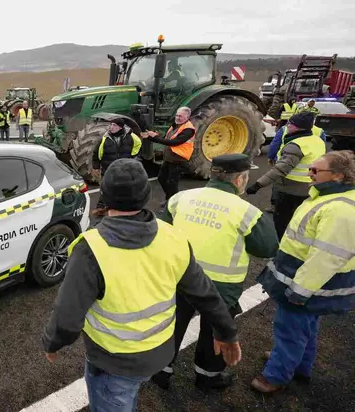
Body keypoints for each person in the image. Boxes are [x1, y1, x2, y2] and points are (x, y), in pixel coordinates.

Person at [42, 159, 241, 412]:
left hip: (113, 362)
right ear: (146, 196)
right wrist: (226, 332)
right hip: (160, 352)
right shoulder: (173, 236)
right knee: (128, 394)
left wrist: (52, 343)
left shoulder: (90, 249)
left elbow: (67, 315)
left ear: (105, 197)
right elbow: (205, 293)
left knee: (116, 400)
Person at [152, 154, 279, 390]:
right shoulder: (247, 212)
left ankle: (161, 370)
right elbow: (267, 247)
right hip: (221, 287)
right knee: (215, 330)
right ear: (240, 179)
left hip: (179, 278)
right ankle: (208, 375)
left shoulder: (181, 198)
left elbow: (161, 232)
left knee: (171, 324)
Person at [252, 150, 355, 393]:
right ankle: (299, 365)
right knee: (305, 326)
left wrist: (300, 291)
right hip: (307, 279)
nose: (309, 173)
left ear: (338, 176)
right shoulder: (327, 197)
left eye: (315, 170)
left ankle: (276, 376)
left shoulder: (339, 210)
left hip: (308, 283)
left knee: (290, 329)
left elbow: (326, 258)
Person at [246, 112, 326, 239]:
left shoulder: (296, 146)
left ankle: (281, 245)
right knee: (300, 220)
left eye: (290, 124)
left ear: (298, 128)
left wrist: (257, 185)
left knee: (282, 222)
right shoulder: (318, 141)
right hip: (309, 188)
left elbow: (280, 169)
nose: (287, 125)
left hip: (290, 190)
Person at [143, 106, 197, 201]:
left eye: (180, 116)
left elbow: (174, 142)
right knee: (162, 179)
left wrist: (155, 138)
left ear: (187, 117)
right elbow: (166, 138)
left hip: (178, 161)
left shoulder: (188, 130)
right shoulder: (175, 125)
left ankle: (172, 202)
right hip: (169, 159)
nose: (177, 118)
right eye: (177, 115)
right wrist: (151, 136)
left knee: (172, 183)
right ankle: (169, 198)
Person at [90, 118, 142, 217]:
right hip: (108, 169)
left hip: (124, 169)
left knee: (123, 189)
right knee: (105, 189)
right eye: (111, 125)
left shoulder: (131, 137)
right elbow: (96, 153)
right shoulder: (105, 138)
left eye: (114, 125)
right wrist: (95, 167)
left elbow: (138, 144)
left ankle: (123, 209)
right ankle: (100, 209)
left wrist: (132, 156)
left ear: (120, 127)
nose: (111, 127)